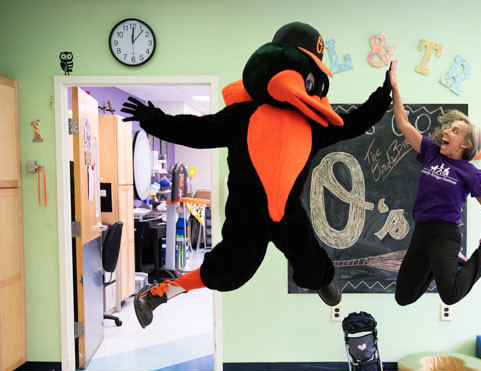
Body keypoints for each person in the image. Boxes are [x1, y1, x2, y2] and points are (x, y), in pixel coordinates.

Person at [122, 22, 393, 329]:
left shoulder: (314, 124)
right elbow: (197, 131)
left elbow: (355, 122)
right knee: (231, 272)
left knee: (309, 258)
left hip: (287, 213)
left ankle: (321, 281)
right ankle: (157, 294)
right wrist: (154, 121)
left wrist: (384, 94)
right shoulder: (243, 117)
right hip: (247, 213)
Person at [388, 60, 481, 306]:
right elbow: (404, 123)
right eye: (449, 128)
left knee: (449, 295)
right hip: (422, 232)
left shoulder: (470, 173)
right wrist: (395, 87)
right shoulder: (431, 151)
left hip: (444, 234)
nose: (446, 132)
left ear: (466, 144)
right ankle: (447, 263)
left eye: (455, 130)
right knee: (403, 297)